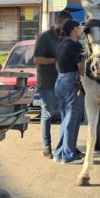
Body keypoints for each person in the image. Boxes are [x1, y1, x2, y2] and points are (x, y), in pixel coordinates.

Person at [33, 10, 73, 158]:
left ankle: (65, 146)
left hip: (63, 82)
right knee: (48, 114)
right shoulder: (45, 37)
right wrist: (56, 60)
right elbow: (37, 59)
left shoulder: (64, 38)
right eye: (64, 25)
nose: (66, 28)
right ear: (57, 22)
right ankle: (47, 147)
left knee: (66, 115)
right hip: (47, 83)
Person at [53, 19, 86, 164]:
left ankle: (59, 152)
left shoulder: (61, 45)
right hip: (72, 81)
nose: (82, 30)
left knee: (65, 119)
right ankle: (68, 155)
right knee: (71, 120)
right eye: (80, 27)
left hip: (60, 81)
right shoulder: (75, 45)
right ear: (74, 29)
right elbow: (81, 68)